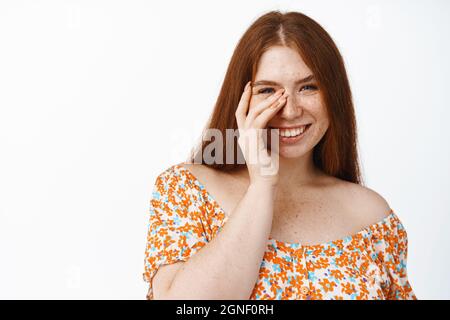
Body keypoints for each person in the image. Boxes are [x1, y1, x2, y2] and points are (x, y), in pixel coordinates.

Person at [143, 10, 417, 300]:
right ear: (241, 100)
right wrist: (262, 185)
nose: (290, 110)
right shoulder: (187, 189)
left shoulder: (372, 217)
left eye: (309, 87)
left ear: (333, 95)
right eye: (268, 90)